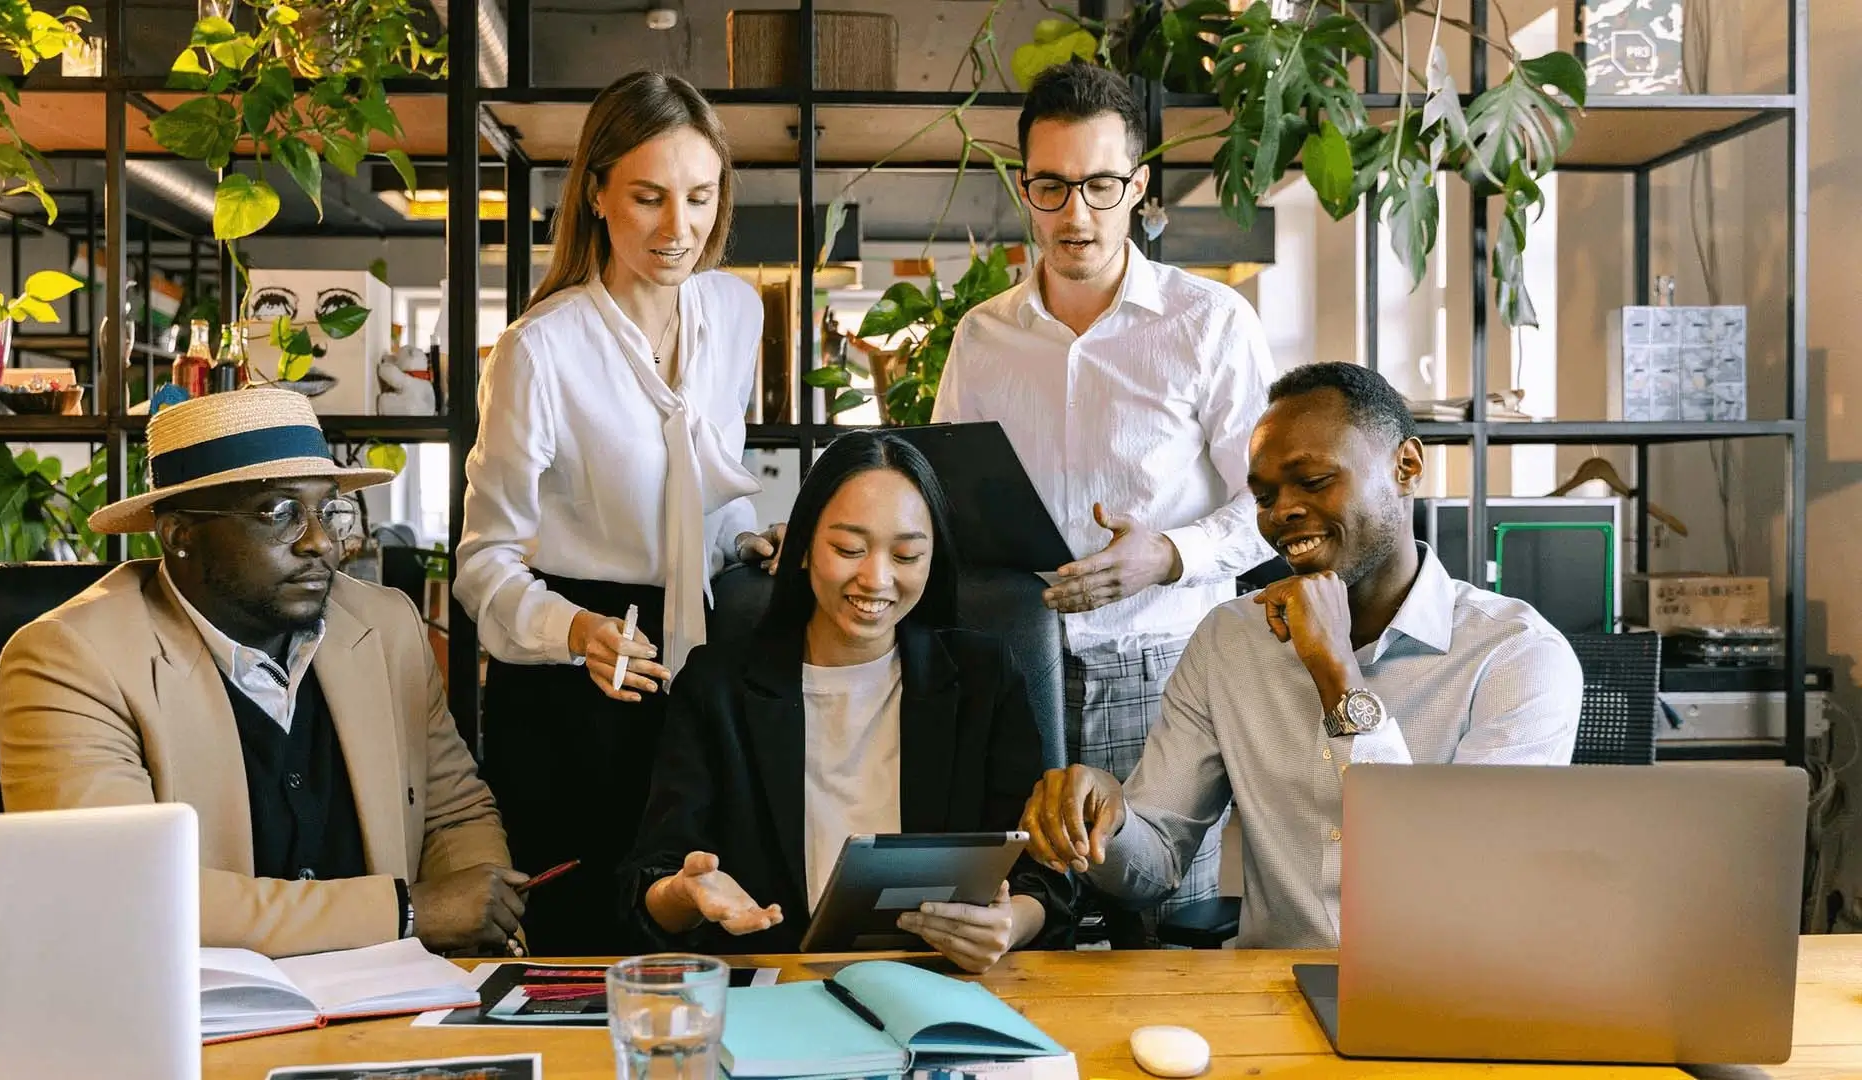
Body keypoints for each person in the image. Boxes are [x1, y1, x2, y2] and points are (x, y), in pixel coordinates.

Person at [1020, 362, 1584, 949]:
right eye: (1263, 496)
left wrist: (1335, 670)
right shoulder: (1229, 640)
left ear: (1406, 467)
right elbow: (1156, 862)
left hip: (1443, 996)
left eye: (1312, 481)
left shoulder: (1517, 657)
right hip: (1274, 1001)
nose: (1281, 511)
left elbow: (1454, 878)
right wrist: (1110, 822)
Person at [0, 388, 525, 959]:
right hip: (206, 1020)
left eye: (328, 511)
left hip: (399, 999)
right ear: (180, 535)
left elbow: (453, 814)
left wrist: (480, 932)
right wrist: (409, 914)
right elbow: (121, 891)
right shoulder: (70, 657)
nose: (322, 543)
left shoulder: (386, 625)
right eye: (280, 513)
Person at [929, 59, 1276, 930]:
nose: (1075, 213)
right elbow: (935, 495)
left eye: (1099, 184)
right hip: (1015, 668)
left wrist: (1166, 553)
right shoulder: (983, 336)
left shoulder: (1210, 323)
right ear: (1024, 187)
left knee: (1160, 930)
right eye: (1051, 186)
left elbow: (1273, 506)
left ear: (1138, 188)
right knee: (1012, 922)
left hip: (1167, 672)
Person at [455, 71, 779, 954]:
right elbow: (481, 562)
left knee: (704, 915)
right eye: (648, 198)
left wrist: (746, 540)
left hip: (696, 670)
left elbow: (701, 494)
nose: (680, 229)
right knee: (582, 942)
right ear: (596, 193)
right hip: (573, 683)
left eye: (701, 197)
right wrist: (575, 631)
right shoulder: (541, 350)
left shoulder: (738, 311)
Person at [620, 431, 1072, 972]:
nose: (876, 579)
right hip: (778, 991)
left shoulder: (983, 677)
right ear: (805, 547)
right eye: (849, 549)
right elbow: (651, 885)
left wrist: (1009, 923)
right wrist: (686, 894)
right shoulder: (717, 686)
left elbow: (1043, 871)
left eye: (906, 554)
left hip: (941, 984)